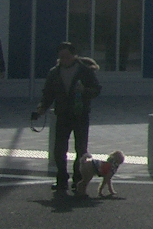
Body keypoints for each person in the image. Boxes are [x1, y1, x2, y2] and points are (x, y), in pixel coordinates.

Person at [31, 42, 101, 192]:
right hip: (62, 114)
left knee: (81, 149)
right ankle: (61, 179)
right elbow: (48, 93)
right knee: (59, 149)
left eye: (67, 56)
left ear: (74, 55)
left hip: (80, 114)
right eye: (61, 57)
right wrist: (41, 108)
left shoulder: (84, 71)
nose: (64, 59)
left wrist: (84, 90)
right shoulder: (54, 73)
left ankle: (78, 179)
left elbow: (96, 89)